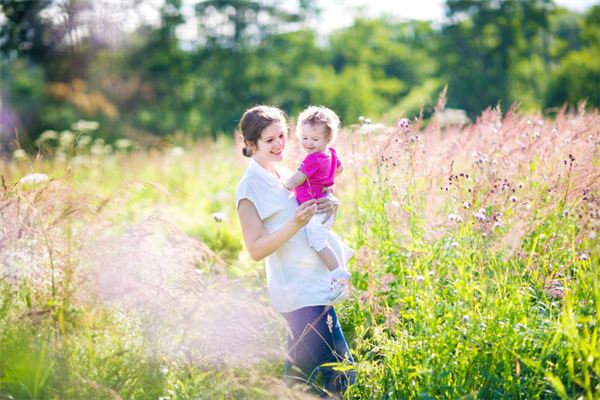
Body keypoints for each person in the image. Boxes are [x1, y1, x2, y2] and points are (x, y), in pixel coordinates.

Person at [235, 105, 355, 397]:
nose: (279, 145)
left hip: (316, 285)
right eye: (269, 140)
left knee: (300, 380)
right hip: (299, 295)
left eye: (281, 136)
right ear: (250, 145)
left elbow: (315, 201)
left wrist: (331, 203)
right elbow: (255, 249)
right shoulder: (248, 188)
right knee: (341, 374)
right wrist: (294, 223)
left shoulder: (285, 171)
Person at [284, 106, 351, 295]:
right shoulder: (332, 153)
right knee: (321, 239)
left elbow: (295, 180)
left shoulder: (312, 160)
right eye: (304, 138)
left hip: (318, 209)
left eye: (315, 139)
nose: (309, 143)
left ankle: (339, 276)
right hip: (324, 203)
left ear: (328, 138)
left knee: (317, 242)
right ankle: (338, 264)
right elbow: (340, 168)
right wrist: (327, 183)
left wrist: (285, 182)